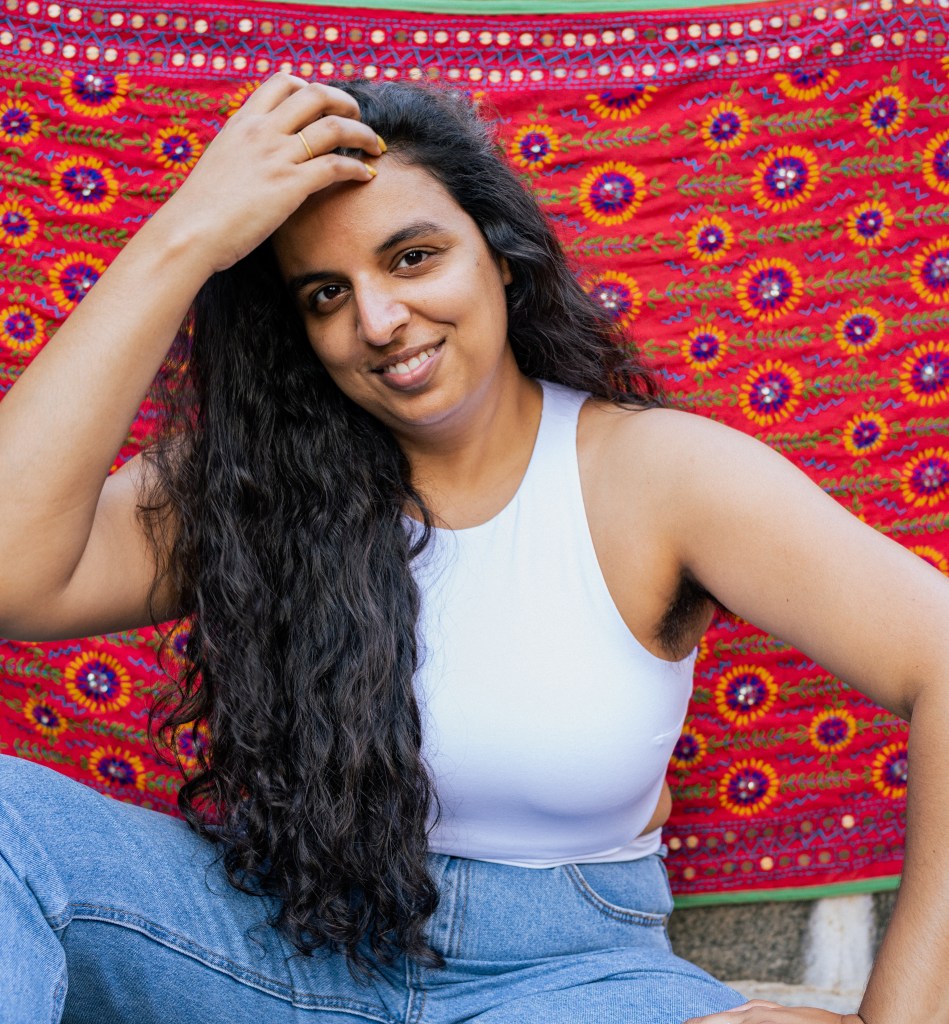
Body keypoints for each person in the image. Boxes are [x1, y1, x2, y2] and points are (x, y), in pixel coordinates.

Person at [0, 74, 946, 1024]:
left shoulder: (654, 473)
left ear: (499, 255)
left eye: (412, 258)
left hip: (563, 977)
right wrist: (187, 236)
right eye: (326, 293)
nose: (377, 322)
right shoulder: (256, 481)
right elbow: (11, 576)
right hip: (272, 941)